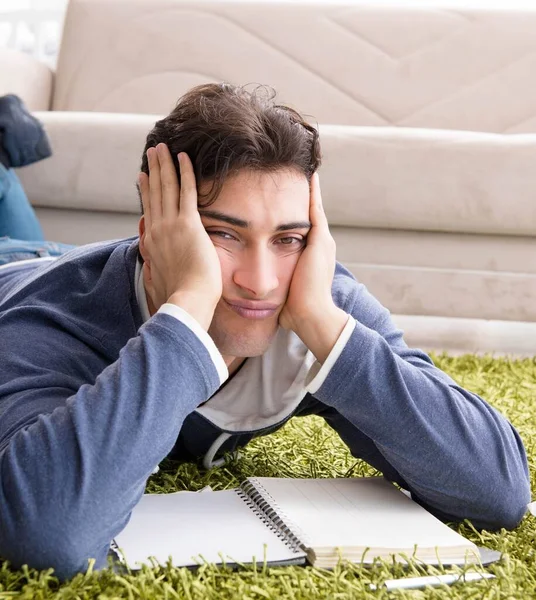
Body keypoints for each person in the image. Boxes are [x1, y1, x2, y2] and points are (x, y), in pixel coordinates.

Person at [0, 83, 530, 580]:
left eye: (287, 238)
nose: (260, 284)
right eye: (222, 235)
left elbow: (496, 493)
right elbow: (46, 536)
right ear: (153, 236)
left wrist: (324, 326)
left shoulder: (312, 299)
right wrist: (188, 309)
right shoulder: (51, 320)